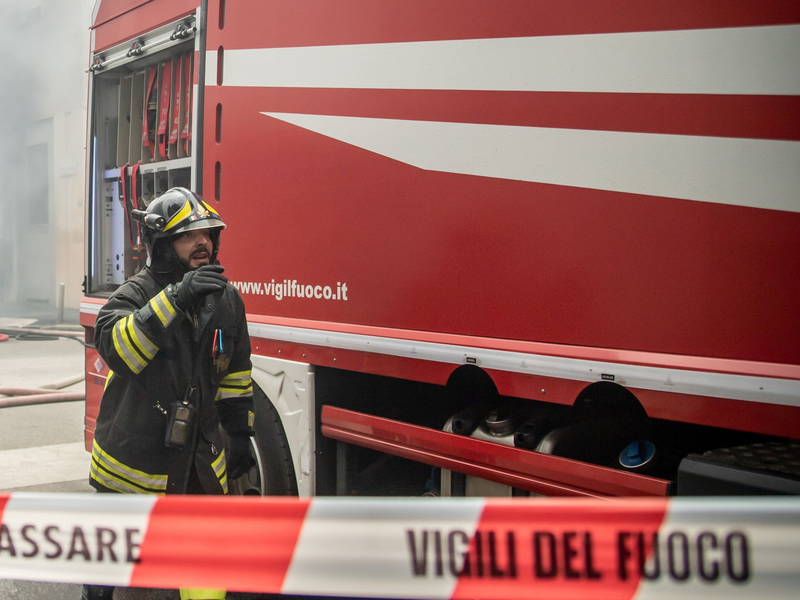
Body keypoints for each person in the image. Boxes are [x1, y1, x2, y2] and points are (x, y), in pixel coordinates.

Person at [83, 187, 255, 600]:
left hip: (198, 462)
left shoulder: (226, 299)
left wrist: (239, 435)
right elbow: (122, 351)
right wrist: (176, 299)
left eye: (209, 234)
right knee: (123, 581)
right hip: (134, 468)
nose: (204, 244)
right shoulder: (132, 296)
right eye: (188, 236)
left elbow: (235, 373)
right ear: (161, 246)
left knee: (202, 573)